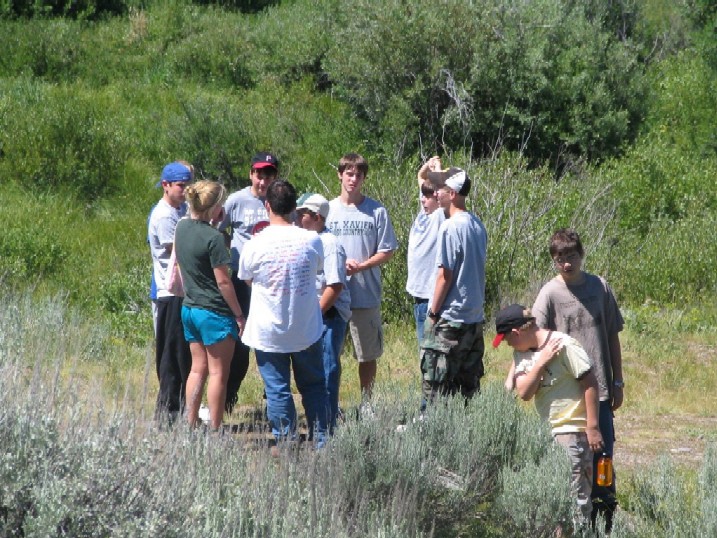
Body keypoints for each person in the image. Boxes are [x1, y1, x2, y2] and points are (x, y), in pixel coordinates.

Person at [518, 228, 624, 530]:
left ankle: (605, 518)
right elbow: (533, 337)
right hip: (567, 395)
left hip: (599, 389)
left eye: (572, 256)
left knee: (603, 458)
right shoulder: (549, 294)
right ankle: (572, 523)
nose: (567, 263)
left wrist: (618, 381)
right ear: (554, 260)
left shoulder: (599, 287)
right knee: (573, 464)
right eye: (560, 258)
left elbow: (612, 336)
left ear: (582, 255)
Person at [493, 303, 604, 531]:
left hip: (572, 432)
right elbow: (524, 392)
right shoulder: (523, 352)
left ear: (516, 332)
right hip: (547, 432)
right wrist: (542, 361)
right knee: (553, 502)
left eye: (507, 339)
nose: (507, 344)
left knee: (574, 503)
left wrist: (592, 427)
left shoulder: (565, 345)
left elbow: (591, 384)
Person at [238, 180, 329, 448]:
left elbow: (246, 278)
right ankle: (322, 440)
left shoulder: (255, 244)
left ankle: (286, 443)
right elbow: (317, 269)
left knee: (277, 389)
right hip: (305, 327)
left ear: (267, 206)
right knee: (314, 385)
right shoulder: (312, 240)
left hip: (269, 330)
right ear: (293, 208)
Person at [325, 153, 398, 405]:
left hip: (365, 294)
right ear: (340, 175)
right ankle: (330, 405)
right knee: (330, 354)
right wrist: (339, 265)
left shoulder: (376, 211)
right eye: (349, 173)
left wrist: (362, 266)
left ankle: (367, 404)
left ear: (364, 178)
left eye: (358, 175)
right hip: (332, 295)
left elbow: (387, 250)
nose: (353, 179)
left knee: (367, 355)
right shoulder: (327, 210)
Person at [175, 180, 246, 430]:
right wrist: (239, 314)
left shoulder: (181, 227)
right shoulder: (214, 238)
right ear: (214, 207)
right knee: (218, 374)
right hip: (214, 312)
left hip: (190, 308)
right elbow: (224, 282)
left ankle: (191, 422)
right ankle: (215, 429)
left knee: (197, 370)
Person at [420, 167, 487, 404]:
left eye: (440, 189)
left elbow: (444, 276)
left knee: (436, 391)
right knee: (467, 393)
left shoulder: (450, 227)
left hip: (450, 320)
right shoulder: (477, 224)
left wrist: (433, 313)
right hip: (473, 319)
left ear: (453, 193)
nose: (435, 194)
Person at [219, 151, 279, 413]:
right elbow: (217, 229)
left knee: (273, 339)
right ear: (251, 174)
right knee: (240, 340)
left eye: (268, 176)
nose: (263, 181)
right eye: (258, 175)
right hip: (241, 280)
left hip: (272, 280)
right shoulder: (237, 200)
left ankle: (273, 400)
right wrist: (230, 251)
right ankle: (228, 397)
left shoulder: (279, 200)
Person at [296, 192, 352, 431]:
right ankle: (318, 422)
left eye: (302, 214)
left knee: (327, 368)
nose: (297, 218)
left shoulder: (330, 244)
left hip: (329, 315)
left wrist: (315, 315)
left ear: (317, 217)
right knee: (314, 371)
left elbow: (335, 286)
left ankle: (327, 426)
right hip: (315, 314)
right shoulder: (310, 240)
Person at [147, 161, 193, 423]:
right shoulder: (164, 215)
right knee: (171, 356)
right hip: (168, 292)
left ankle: (179, 408)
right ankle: (167, 412)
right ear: (166, 185)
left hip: (180, 292)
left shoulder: (180, 209)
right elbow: (177, 250)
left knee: (181, 354)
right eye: (180, 186)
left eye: (187, 186)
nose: (184, 191)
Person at [406, 156, 445, 345]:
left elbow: (442, 187)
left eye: (428, 196)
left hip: (430, 295)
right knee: (424, 346)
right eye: (423, 195)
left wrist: (438, 167)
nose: (423, 200)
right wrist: (427, 165)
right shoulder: (425, 212)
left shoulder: (440, 215)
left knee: (430, 348)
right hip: (418, 294)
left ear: (438, 197)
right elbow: (420, 177)